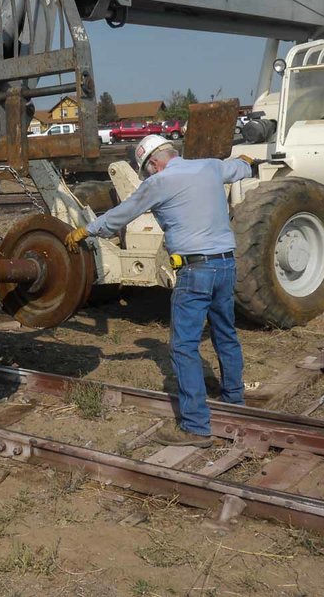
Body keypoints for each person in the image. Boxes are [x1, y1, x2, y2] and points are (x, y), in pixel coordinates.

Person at [64, 136, 254, 447]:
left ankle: (195, 426)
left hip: (195, 272)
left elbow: (121, 215)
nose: (149, 175)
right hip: (226, 266)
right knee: (225, 333)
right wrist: (245, 163)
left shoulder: (159, 183)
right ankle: (234, 401)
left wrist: (87, 230)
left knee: (183, 347)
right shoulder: (209, 166)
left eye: (148, 170)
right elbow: (240, 170)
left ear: (154, 163)